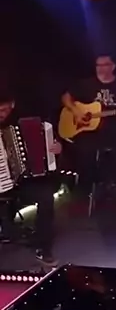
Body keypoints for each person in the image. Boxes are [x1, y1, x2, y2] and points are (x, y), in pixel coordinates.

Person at [61, 54, 116, 198]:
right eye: (98, 65)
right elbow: (66, 97)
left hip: (114, 132)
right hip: (89, 132)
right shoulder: (86, 84)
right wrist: (76, 111)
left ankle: (113, 183)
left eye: (104, 65)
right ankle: (89, 185)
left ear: (113, 67)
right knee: (83, 149)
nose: (100, 68)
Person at [0, 88, 62, 266]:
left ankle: (43, 247)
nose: (1, 114)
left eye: (4, 110)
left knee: (46, 196)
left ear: (12, 105)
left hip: (23, 181)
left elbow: (49, 142)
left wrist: (57, 147)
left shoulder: (22, 122)